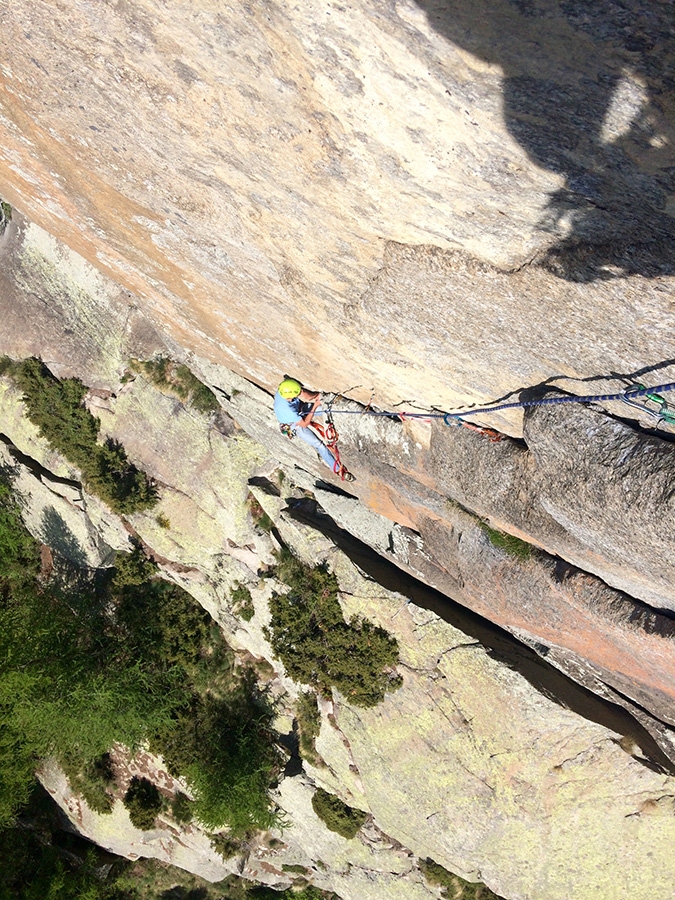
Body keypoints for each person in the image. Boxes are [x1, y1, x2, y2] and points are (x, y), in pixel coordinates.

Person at [273, 378, 354, 481]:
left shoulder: (284, 389)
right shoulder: (287, 411)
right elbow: (304, 424)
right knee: (319, 445)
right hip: (295, 425)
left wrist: (317, 397)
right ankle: (338, 470)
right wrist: (315, 405)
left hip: (299, 410)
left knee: (326, 410)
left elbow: (303, 393)